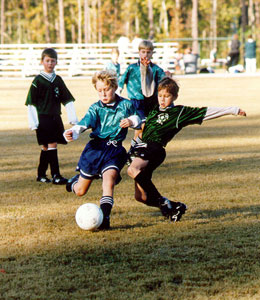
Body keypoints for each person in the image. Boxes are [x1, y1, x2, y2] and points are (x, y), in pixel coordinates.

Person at [127, 77, 246, 222]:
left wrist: (232, 110)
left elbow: (205, 112)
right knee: (141, 197)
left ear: (175, 96)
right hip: (141, 149)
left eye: (167, 96)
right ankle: (175, 206)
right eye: (160, 96)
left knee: (132, 170)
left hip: (155, 148)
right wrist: (134, 145)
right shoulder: (153, 108)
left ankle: (164, 203)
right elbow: (142, 123)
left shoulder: (179, 113)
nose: (162, 99)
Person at [64, 70, 141, 230]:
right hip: (95, 151)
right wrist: (74, 132)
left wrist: (131, 121)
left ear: (114, 87)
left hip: (114, 151)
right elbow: (84, 123)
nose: (103, 93)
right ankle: (72, 183)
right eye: (100, 90)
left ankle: (105, 218)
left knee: (109, 181)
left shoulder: (126, 105)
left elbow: (138, 118)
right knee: (80, 191)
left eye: (106, 89)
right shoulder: (96, 108)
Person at [25, 48, 78, 184]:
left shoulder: (58, 80)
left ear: (56, 62)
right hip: (43, 118)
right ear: (42, 62)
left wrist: (72, 118)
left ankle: (42, 174)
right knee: (47, 145)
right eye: (47, 61)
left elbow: (67, 99)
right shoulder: (38, 81)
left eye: (52, 61)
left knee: (50, 145)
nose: (50, 63)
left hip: (55, 117)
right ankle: (56, 175)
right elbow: (31, 103)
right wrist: (33, 123)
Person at [118, 39, 166, 140]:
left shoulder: (156, 69)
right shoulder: (132, 68)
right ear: (139, 52)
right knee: (141, 126)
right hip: (136, 101)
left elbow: (165, 84)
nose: (146, 55)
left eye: (148, 52)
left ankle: (144, 150)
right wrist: (118, 92)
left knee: (151, 127)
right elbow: (122, 81)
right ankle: (135, 149)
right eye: (143, 52)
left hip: (152, 101)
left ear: (152, 53)